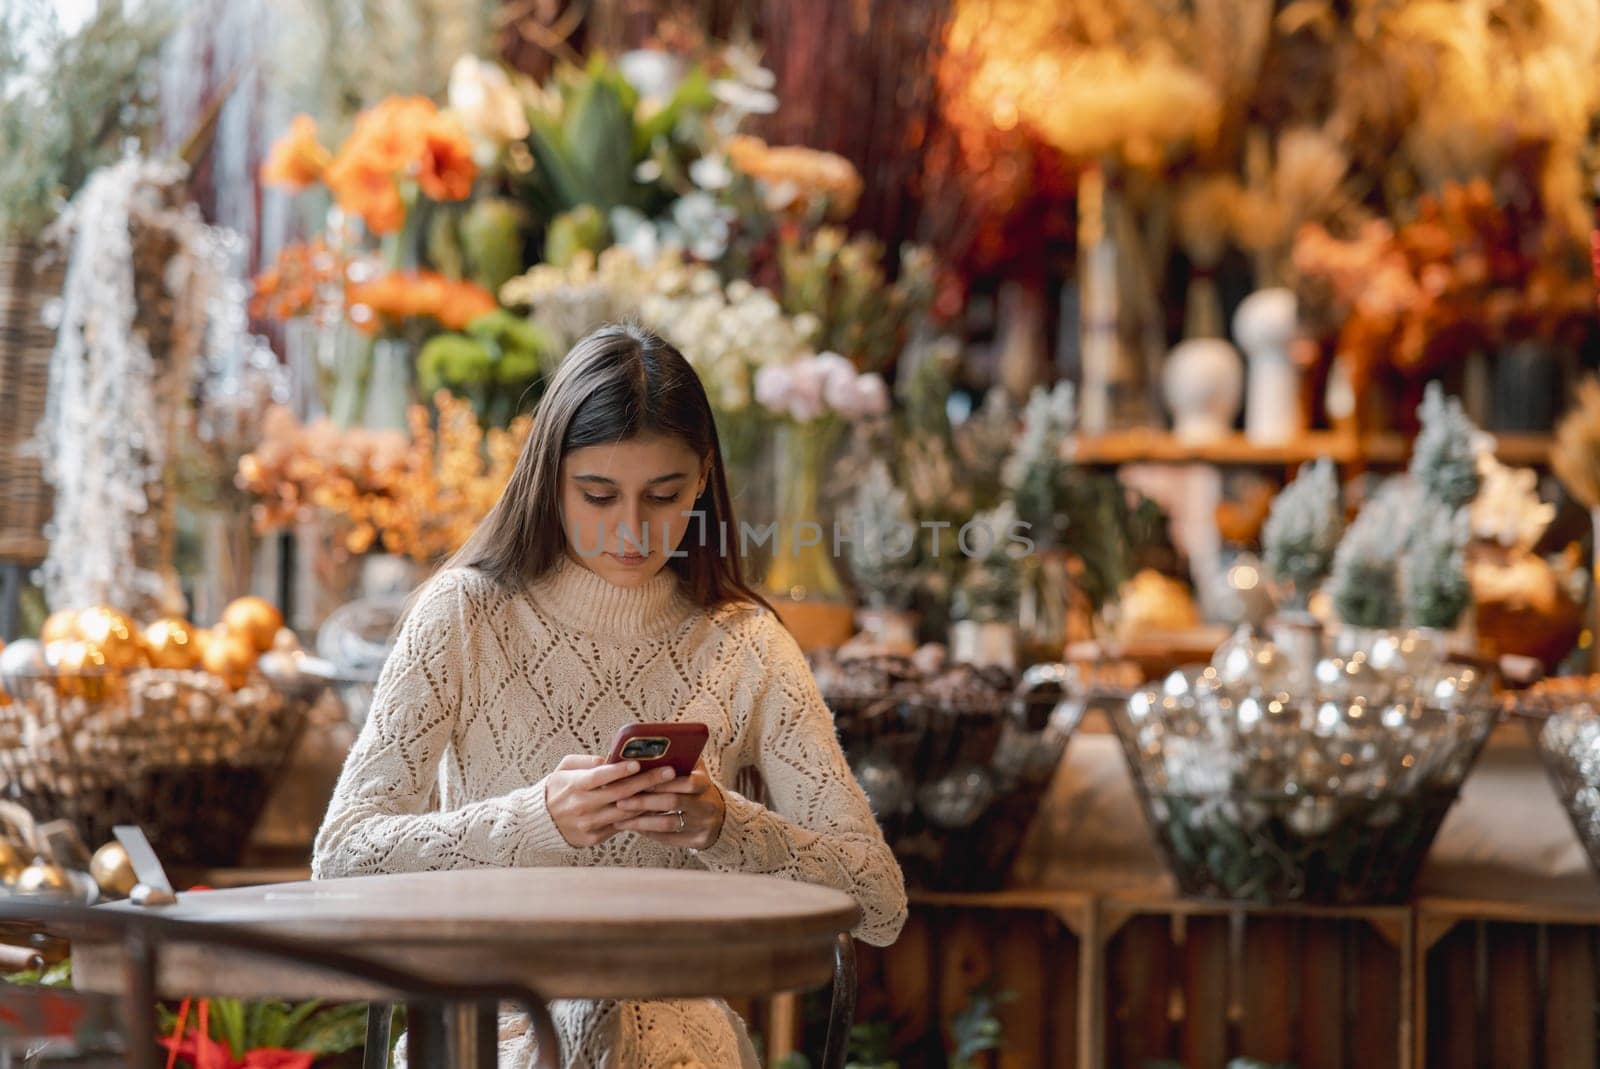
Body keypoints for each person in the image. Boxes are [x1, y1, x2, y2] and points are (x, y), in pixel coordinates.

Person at [312, 322, 908, 1068]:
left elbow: (879, 900)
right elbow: (341, 857)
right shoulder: (463, 613)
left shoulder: (745, 642)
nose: (631, 530)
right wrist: (536, 818)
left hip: (677, 1043)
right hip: (486, 1032)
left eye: (663, 495)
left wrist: (723, 823)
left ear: (702, 479)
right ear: (549, 478)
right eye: (598, 494)